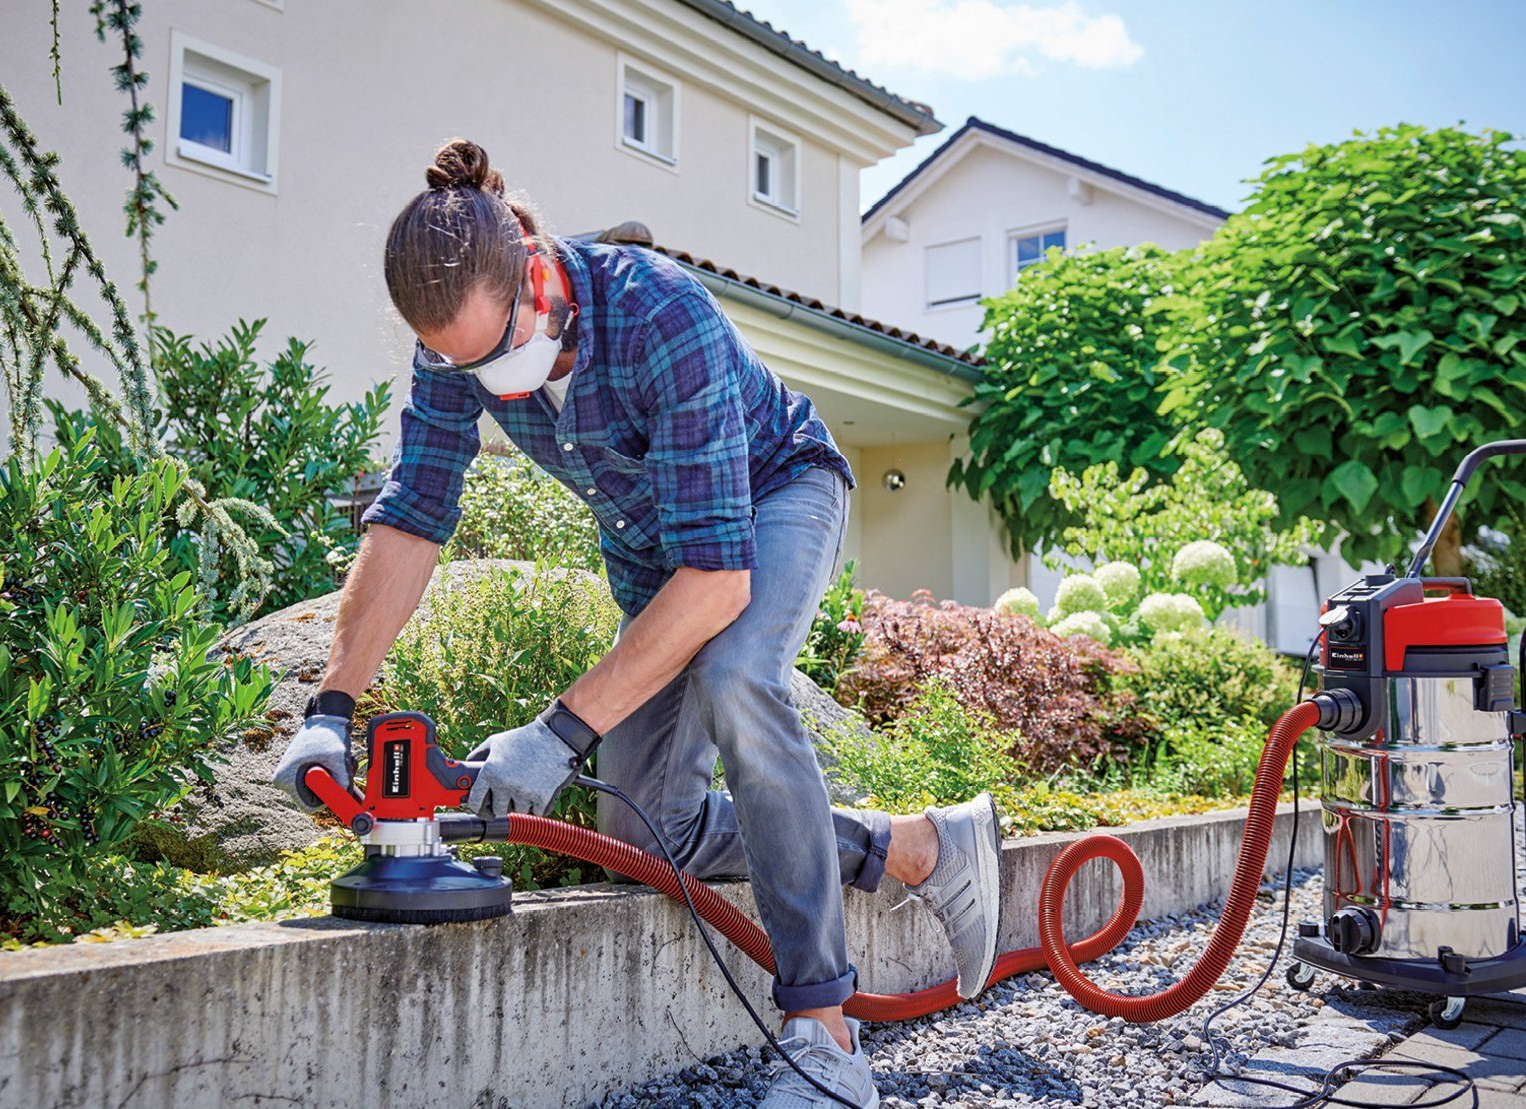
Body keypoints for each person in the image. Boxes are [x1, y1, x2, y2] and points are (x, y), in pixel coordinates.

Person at [271, 138, 1003, 1108]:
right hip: (657, 552)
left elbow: (717, 581)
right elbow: (411, 518)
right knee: (652, 829)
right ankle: (918, 848)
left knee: (740, 675)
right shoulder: (456, 351)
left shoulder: (658, 311)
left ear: (533, 265)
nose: (488, 380)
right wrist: (332, 703)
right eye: (463, 364)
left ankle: (826, 1035)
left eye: (495, 351)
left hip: (776, 492)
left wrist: (557, 729)